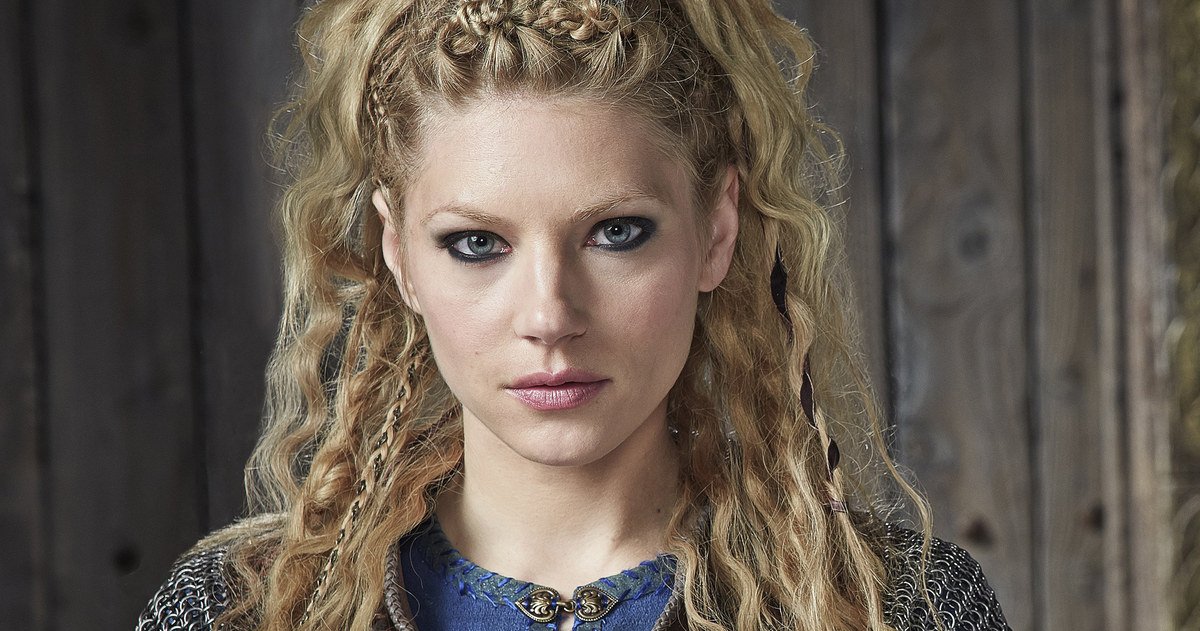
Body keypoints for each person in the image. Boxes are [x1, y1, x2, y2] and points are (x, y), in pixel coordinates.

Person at [137, 0, 1012, 629]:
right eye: (477, 244)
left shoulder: (901, 607)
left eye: (616, 232)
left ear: (717, 231)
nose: (550, 314)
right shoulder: (239, 611)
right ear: (397, 253)